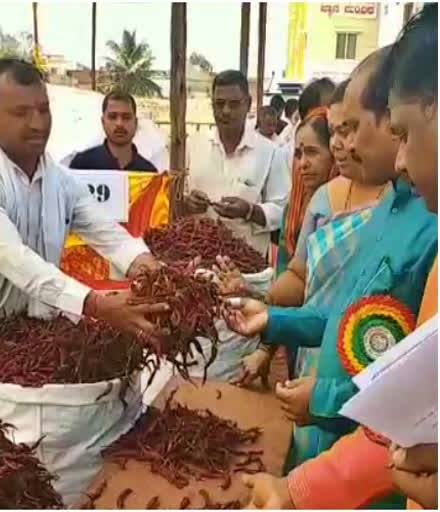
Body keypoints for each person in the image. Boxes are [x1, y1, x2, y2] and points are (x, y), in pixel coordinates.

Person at [242, 5, 438, 509]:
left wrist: (325, 402)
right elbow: (347, 315)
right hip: (345, 461)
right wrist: (274, 320)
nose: (398, 158)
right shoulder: (391, 206)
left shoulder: (429, 226)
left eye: (403, 133)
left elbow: (414, 405)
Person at [0, 59, 166, 340]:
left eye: (44, 110)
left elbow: (107, 233)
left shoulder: (60, 181)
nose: (38, 124)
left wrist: (154, 271)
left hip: (38, 332)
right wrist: (97, 305)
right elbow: (19, 262)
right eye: (21, 113)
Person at [181, 70, 290, 258]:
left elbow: (282, 211)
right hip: (198, 260)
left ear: (247, 104)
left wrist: (249, 211)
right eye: (219, 104)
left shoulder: (270, 153)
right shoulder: (194, 146)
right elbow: (175, 198)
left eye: (233, 104)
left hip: (247, 266)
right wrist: (187, 202)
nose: (225, 111)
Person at [274, 77, 338, 275]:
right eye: (299, 154)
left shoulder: (347, 208)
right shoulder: (293, 210)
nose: (302, 164)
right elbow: (285, 275)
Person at [69, 91, 157, 172]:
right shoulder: (81, 165)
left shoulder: (148, 172)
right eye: (112, 117)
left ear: (136, 123)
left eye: (126, 117)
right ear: (103, 122)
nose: (119, 123)